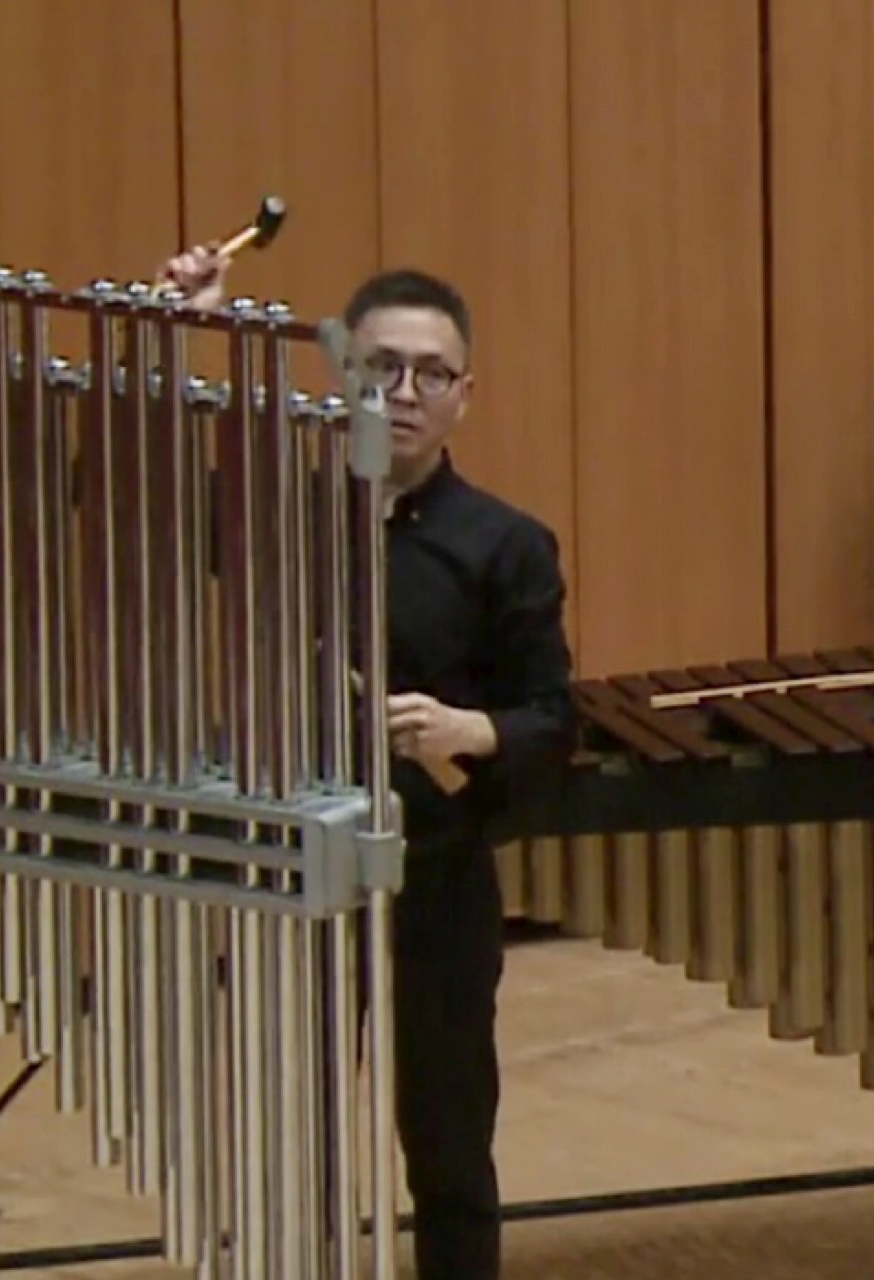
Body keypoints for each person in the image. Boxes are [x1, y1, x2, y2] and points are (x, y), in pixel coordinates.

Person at [157, 244, 578, 1280]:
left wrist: (467, 731)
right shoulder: (279, 520)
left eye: (431, 373)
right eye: (381, 367)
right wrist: (187, 332)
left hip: (435, 873)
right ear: (344, 375)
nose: (404, 392)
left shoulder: (506, 545)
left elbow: (550, 719)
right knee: (289, 1139)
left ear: (464, 394)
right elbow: (130, 484)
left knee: (448, 1145)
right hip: (299, 873)